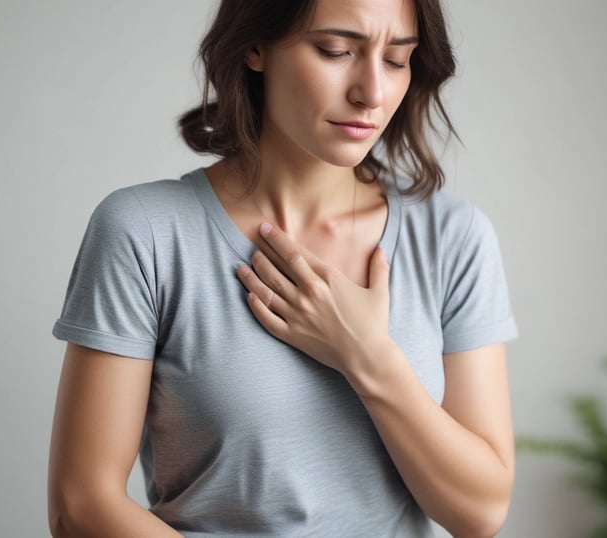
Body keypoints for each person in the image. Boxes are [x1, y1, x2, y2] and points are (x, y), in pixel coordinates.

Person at [48, 0, 518, 536]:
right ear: (255, 46)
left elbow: (479, 513)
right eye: (336, 51)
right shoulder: (145, 231)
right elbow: (81, 506)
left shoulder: (453, 237)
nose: (373, 92)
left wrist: (368, 358)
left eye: (396, 59)